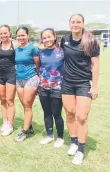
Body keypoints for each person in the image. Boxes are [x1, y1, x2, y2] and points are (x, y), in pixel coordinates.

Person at [61, 14, 100, 165]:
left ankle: (81, 149)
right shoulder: (65, 39)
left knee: (82, 117)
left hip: (84, 83)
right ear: (69, 24)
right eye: (73, 22)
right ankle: (73, 141)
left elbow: (95, 65)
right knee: (70, 113)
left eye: (78, 22)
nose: (75, 24)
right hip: (67, 83)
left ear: (83, 24)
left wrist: (95, 86)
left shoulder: (90, 40)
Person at [38, 28, 65, 147]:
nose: (47, 39)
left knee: (56, 113)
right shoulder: (41, 53)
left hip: (58, 87)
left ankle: (60, 137)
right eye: (44, 38)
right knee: (47, 112)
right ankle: (49, 135)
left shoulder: (62, 51)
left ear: (54, 36)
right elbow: (39, 68)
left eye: (49, 37)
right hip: (43, 87)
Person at [14, 26, 40, 142]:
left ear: (27, 35)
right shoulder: (17, 49)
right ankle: (29, 128)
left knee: (27, 104)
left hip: (31, 78)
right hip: (19, 79)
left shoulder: (33, 49)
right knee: (25, 105)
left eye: (23, 35)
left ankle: (24, 132)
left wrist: (38, 79)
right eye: (19, 35)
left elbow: (38, 65)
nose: (21, 37)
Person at [0, 25, 18, 136]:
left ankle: (10, 124)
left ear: (10, 33)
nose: (3, 35)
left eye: (5, 33)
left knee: (10, 100)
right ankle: (5, 122)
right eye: (1, 33)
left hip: (11, 74)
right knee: (3, 100)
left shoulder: (15, 44)